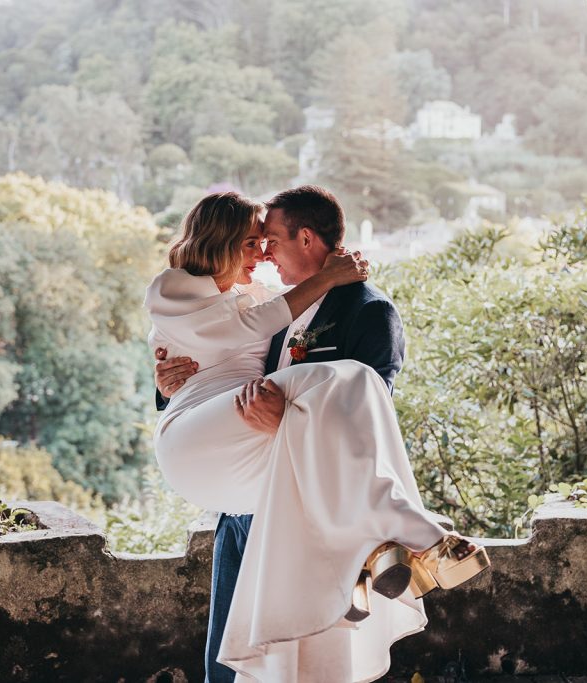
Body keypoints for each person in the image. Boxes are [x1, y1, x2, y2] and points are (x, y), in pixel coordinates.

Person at [146, 189, 488, 682]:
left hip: (304, 507)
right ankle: (401, 526)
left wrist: (288, 422)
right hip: (243, 506)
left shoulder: (367, 310)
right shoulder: (262, 305)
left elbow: (369, 410)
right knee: (228, 657)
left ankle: (382, 534)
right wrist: (167, 383)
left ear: (305, 238)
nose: (264, 254)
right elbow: (214, 362)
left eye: (271, 241)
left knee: (297, 656)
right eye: (255, 243)